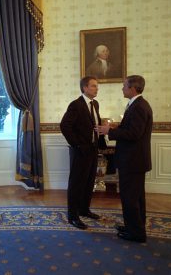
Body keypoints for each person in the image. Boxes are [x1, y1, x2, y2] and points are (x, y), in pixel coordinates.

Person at [98, 75, 153, 243]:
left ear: (133, 88)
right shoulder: (137, 104)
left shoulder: (138, 107)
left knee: (130, 197)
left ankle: (136, 233)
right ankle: (134, 227)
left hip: (133, 161)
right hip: (134, 160)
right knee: (136, 197)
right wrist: (117, 126)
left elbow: (134, 134)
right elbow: (132, 128)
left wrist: (110, 132)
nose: (122, 89)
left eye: (124, 86)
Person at [60, 76, 106, 230]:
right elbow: (65, 126)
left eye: (96, 86)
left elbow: (94, 124)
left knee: (88, 182)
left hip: (92, 150)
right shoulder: (76, 105)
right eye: (93, 86)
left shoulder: (95, 104)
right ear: (85, 88)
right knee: (76, 184)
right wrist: (78, 144)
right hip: (80, 151)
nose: (96, 88)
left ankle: (84, 210)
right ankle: (73, 216)